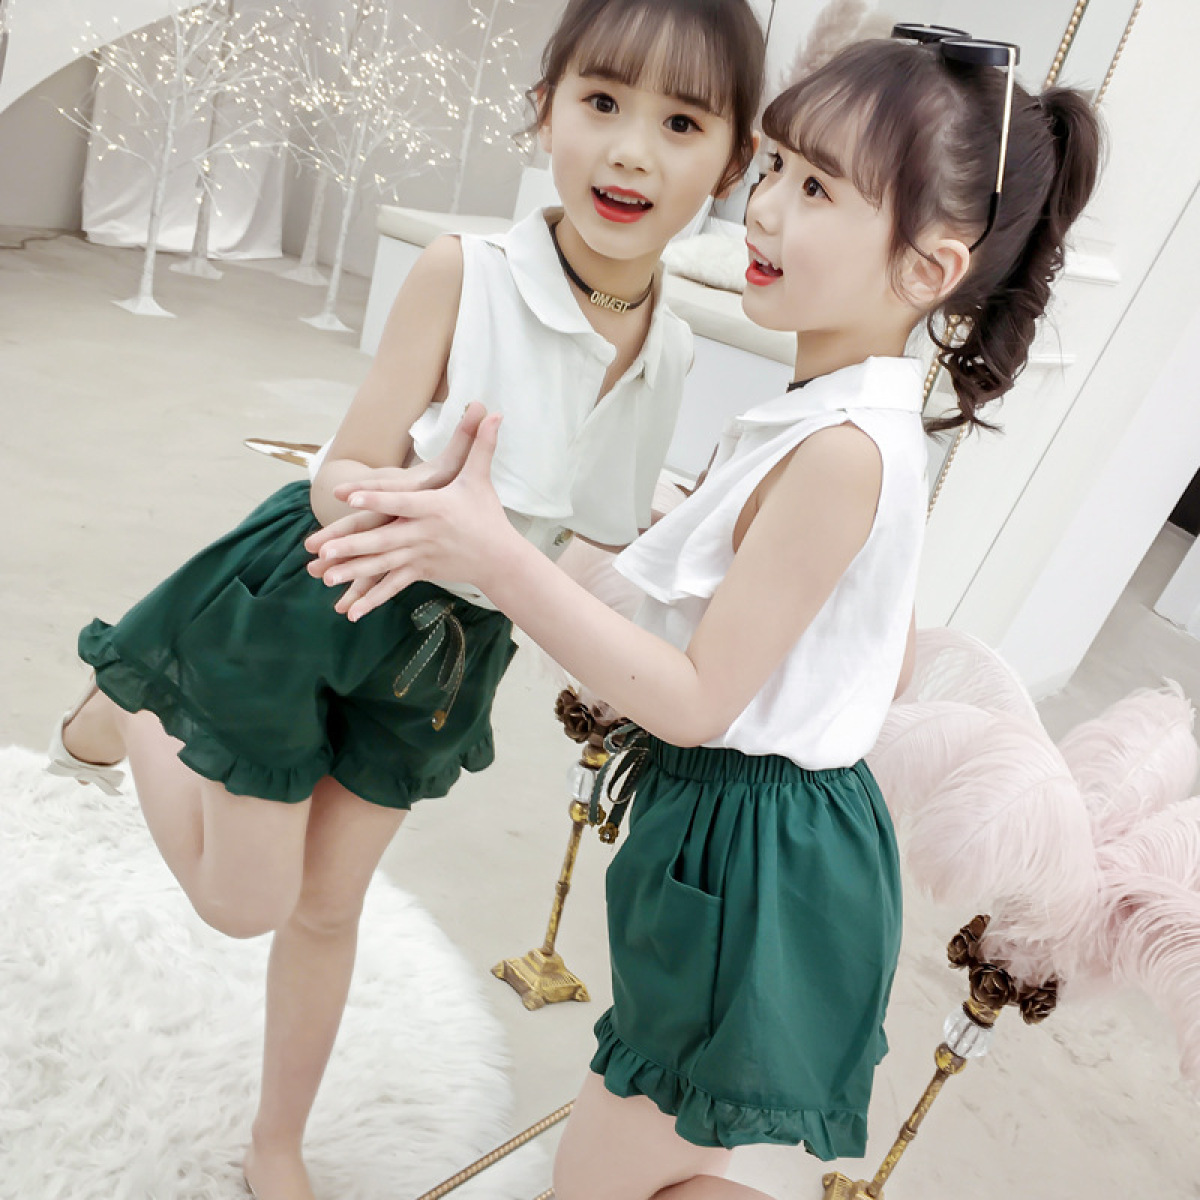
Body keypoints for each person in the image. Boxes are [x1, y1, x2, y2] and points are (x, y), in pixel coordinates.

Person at [309, 27, 1103, 1200]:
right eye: (776, 166)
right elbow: (876, 667)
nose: (764, 209)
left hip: (754, 865)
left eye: (818, 189)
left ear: (928, 269)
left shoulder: (841, 449)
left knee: (612, 1177)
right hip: (752, 846)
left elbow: (691, 704)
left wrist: (496, 553)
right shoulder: (836, 417)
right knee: (646, 1161)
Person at [46, 2, 766, 1196]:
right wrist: (424, 506)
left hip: (447, 655)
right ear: (545, 111)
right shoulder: (463, 274)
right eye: (601, 102)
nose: (633, 149)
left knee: (328, 908)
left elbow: (585, 548)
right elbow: (338, 472)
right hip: (327, 591)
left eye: (682, 123)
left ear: (733, 164)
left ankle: (275, 1141)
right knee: (244, 903)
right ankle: (138, 706)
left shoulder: (671, 351)